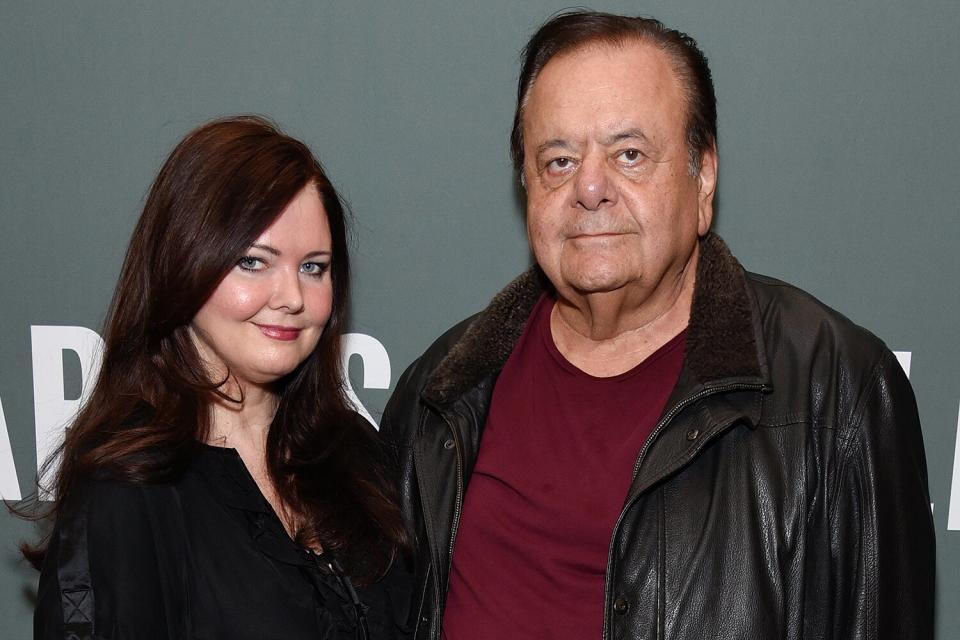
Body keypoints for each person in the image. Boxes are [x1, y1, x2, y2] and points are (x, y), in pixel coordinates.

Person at [380, 11, 934, 640]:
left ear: (705, 178)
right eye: (558, 161)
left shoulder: (837, 391)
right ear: (526, 187)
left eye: (630, 154)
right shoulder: (440, 395)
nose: (590, 187)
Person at [29, 116, 411, 639]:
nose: (292, 298)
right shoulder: (131, 490)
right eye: (254, 262)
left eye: (314, 267)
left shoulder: (357, 457)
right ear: (184, 264)